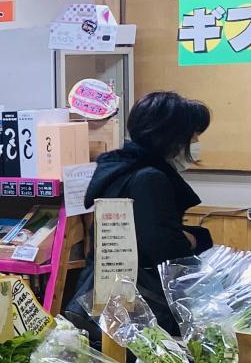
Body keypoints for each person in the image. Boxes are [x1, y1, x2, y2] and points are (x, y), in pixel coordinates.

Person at [66, 91, 213, 335]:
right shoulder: (150, 179)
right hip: (139, 305)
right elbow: (162, 247)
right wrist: (197, 238)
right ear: (173, 137)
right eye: (193, 136)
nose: (195, 144)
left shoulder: (120, 169)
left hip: (107, 291)